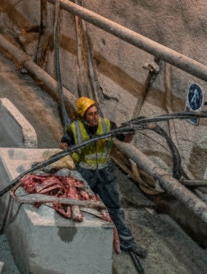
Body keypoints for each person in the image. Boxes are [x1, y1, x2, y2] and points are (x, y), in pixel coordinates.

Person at [61, 96, 146, 258]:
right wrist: (65, 147)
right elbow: (65, 141)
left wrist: (130, 132)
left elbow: (124, 138)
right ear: (82, 116)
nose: (95, 117)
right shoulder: (74, 128)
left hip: (105, 174)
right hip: (85, 174)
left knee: (115, 208)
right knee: (83, 207)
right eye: (90, 114)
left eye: (96, 113)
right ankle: (83, 243)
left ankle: (127, 241)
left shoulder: (108, 125)